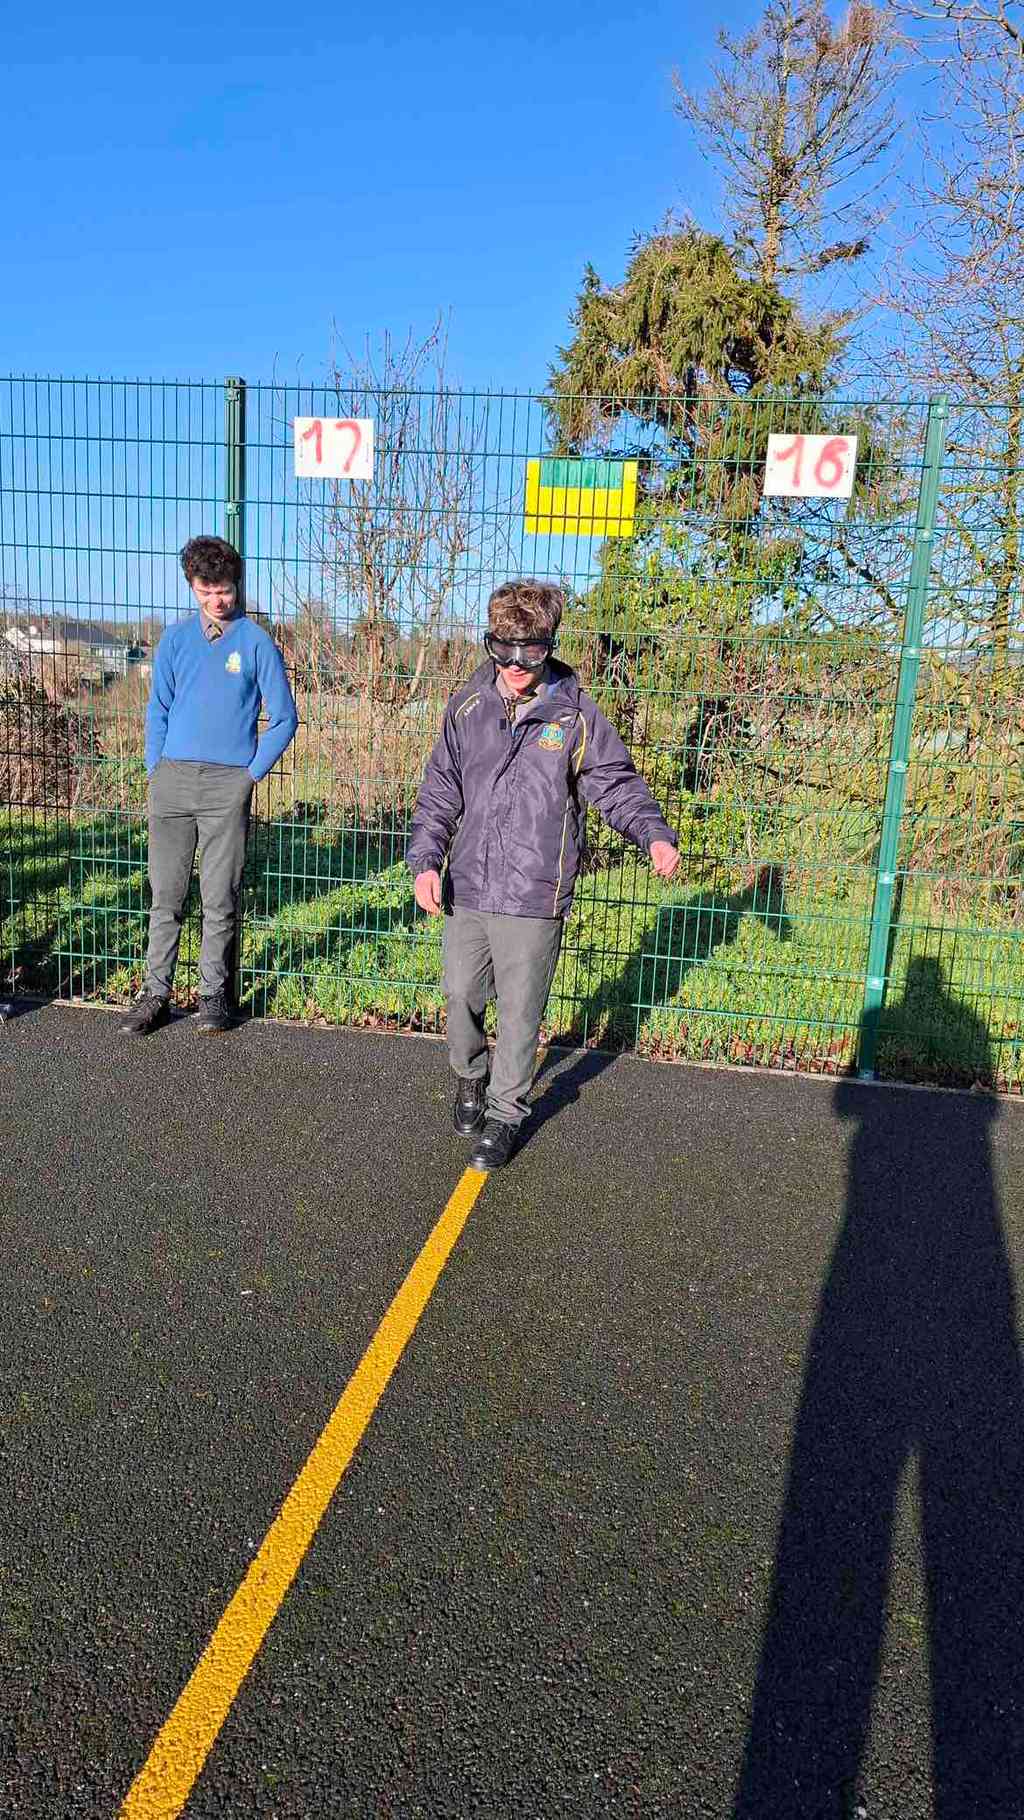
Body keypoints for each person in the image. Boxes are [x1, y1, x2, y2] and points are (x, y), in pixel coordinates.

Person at [407, 577, 680, 1171]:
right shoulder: (467, 707)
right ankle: (470, 1075)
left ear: (548, 646)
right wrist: (426, 861)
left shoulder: (575, 714)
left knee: (521, 1013)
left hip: (535, 889)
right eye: (501, 649)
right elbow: (440, 791)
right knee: (460, 994)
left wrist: (652, 833)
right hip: (469, 885)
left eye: (529, 651)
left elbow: (614, 782)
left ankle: (506, 1114)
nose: (514, 664)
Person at [121, 535, 298, 1036]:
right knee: (166, 896)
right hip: (171, 782)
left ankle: (213, 995)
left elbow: (284, 719)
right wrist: (155, 767)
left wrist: (249, 775)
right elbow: (158, 708)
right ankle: (155, 995)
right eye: (206, 590)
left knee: (220, 897)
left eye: (224, 590)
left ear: (236, 585)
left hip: (227, 786)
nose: (217, 600)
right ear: (192, 585)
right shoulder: (175, 640)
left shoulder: (257, 643)